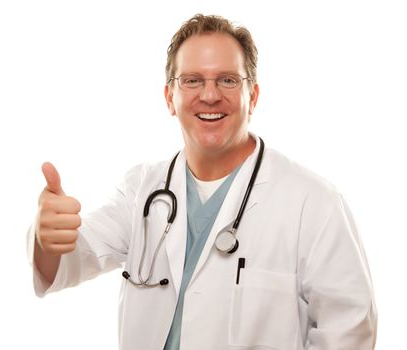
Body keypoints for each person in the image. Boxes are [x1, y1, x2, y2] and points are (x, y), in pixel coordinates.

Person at [28, 14, 377, 350]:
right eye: (192, 80)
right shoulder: (142, 190)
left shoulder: (312, 202)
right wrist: (47, 238)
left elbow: (349, 329)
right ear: (170, 97)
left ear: (252, 97)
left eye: (227, 80)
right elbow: (67, 263)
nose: (210, 95)